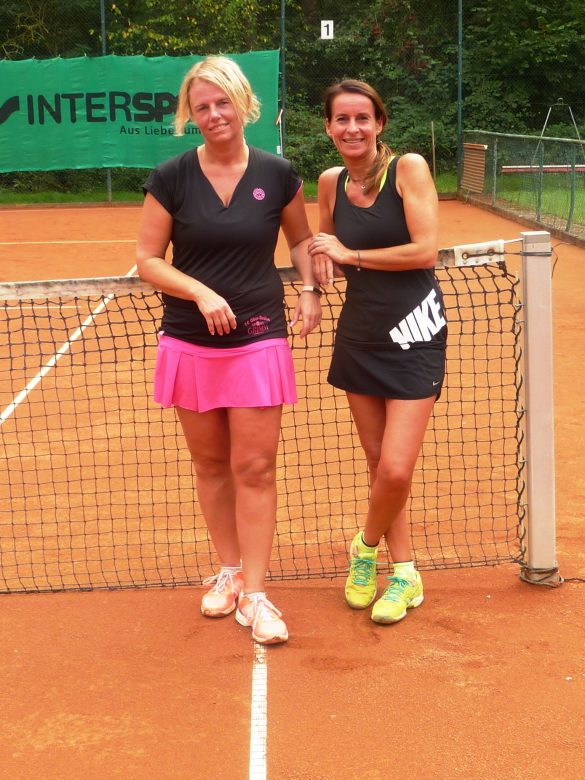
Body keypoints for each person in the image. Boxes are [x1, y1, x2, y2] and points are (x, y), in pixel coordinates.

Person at [136, 56, 322, 645]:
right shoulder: (170, 177)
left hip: (259, 339)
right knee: (212, 466)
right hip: (189, 343)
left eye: (223, 102)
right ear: (189, 115)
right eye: (202, 106)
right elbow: (148, 261)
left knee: (256, 468)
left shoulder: (278, 173)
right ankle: (230, 571)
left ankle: (258, 594)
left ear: (243, 104)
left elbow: (301, 241)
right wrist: (200, 292)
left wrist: (311, 289)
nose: (214, 114)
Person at [308, 80, 446, 624]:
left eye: (362, 118)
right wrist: (315, 283)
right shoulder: (329, 182)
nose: (352, 128)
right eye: (341, 119)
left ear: (379, 123)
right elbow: (324, 248)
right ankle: (405, 573)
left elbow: (425, 250)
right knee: (375, 461)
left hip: (415, 331)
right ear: (328, 127)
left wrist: (352, 255)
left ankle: (364, 548)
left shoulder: (408, 168)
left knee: (394, 467)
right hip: (360, 334)